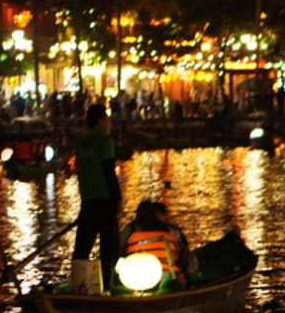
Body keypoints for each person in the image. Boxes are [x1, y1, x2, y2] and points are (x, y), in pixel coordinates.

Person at [71, 103, 122, 291]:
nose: (109, 123)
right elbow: (109, 172)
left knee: (82, 248)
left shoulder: (82, 143)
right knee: (109, 248)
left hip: (88, 201)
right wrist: (117, 198)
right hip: (105, 200)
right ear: (100, 121)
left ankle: (77, 285)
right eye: (107, 119)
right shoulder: (104, 141)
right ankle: (108, 286)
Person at [116, 199, 195, 290]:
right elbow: (186, 257)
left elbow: (119, 252)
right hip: (170, 277)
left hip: (135, 280)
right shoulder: (173, 231)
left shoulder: (130, 230)